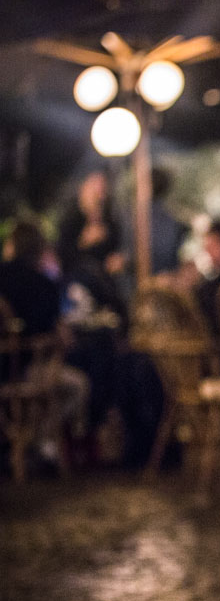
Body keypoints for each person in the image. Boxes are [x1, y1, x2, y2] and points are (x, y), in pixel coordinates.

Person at [0, 220, 89, 470]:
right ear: (38, 250)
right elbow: (58, 337)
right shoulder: (44, 284)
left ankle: (21, 443)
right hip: (28, 370)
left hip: (4, 369)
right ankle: (38, 441)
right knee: (78, 386)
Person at [56, 170, 128, 324]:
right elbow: (62, 257)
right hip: (77, 293)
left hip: (106, 291)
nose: (100, 193)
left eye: (102, 188)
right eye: (95, 187)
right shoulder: (70, 221)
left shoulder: (111, 223)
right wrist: (83, 243)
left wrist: (119, 261)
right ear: (83, 188)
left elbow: (118, 251)